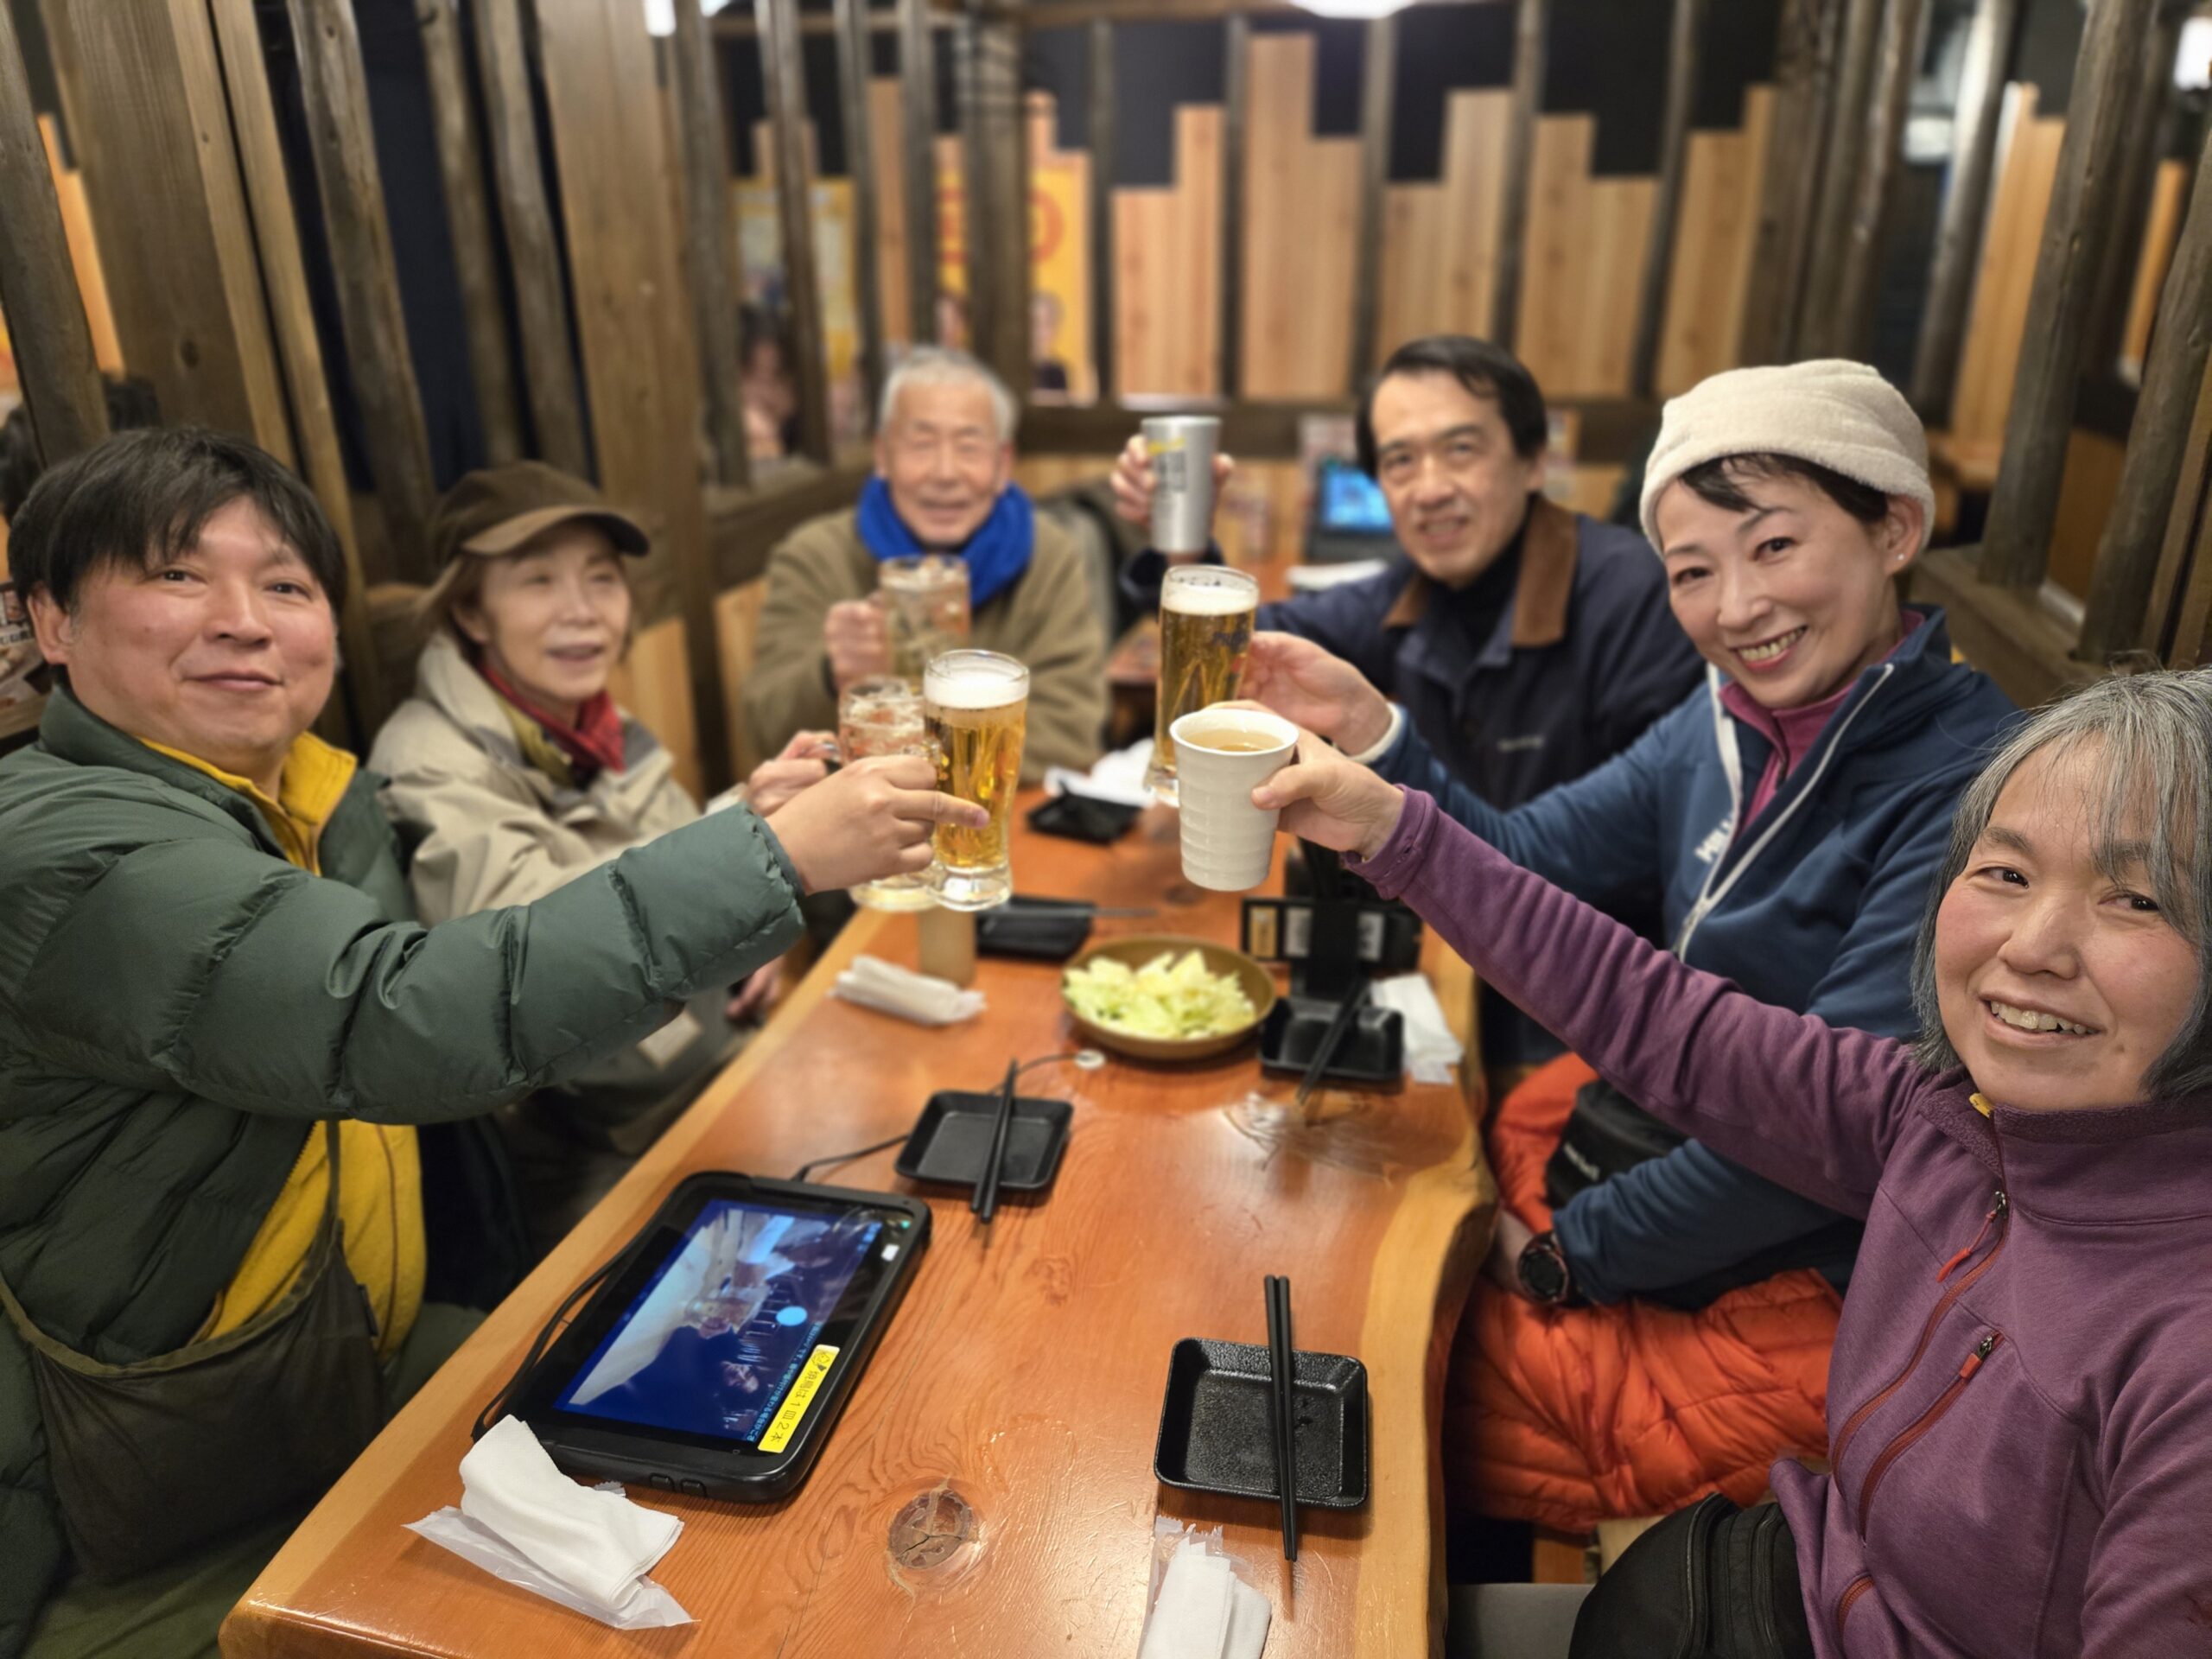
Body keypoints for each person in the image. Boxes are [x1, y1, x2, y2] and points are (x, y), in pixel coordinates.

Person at [0, 427, 982, 1656]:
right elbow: (406, 1013)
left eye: (285, 585)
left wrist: (743, 837)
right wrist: (764, 860)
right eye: (179, 575)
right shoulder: (80, 852)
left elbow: (506, 953)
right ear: (52, 620)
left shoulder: (313, 793)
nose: (244, 622)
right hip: (154, 1465)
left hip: (353, 1346)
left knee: (833, 1396)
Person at [1261, 665, 2212, 1657]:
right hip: (1771, 1589)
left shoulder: (2186, 1350)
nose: (2033, 945)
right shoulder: (1945, 1118)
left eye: (2136, 900)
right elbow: (1660, 1020)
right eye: (2006, 873)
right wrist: (1390, 830)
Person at [1237, 362, 2017, 1537]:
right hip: (1652, 1157)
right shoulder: (1721, 721)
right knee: (1342, 1230)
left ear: (1896, 528)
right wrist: (1377, 733)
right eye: (1693, 572)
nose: (1737, 608)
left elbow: (1826, 1142)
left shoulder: (1969, 790)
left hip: (1804, 1274)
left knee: (1383, 1387)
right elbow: (1522, 855)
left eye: (1774, 547)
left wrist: (1565, 1258)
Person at [369, 461, 835, 1251]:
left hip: (711, 1075)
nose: (582, 611)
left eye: (601, 578)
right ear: (471, 612)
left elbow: (670, 873)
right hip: (598, 1142)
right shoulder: (427, 761)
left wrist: (746, 893)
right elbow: (533, 959)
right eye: (538, 580)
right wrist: (741, 852)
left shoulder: (594, 722)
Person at [1111, 335, 1704, 816]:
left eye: (1461, 449)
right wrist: (1182, 539)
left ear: (1533, 462)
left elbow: (1645, 837)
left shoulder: (1633, 599)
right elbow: (1242, 648)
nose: (1430, 489)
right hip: (1456, 906)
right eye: (1400, 461)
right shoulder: (1413, 593)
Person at [743, 346, 1108, 779]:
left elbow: (1073, 729)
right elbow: (768, 730)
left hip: (999, 815)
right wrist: (830, 674)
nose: (945, 472)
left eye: (969, 447)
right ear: (882, 455)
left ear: (1003, 464)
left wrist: (905, 750)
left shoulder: (1047, 554)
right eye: (921, 445)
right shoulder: (816, 556)